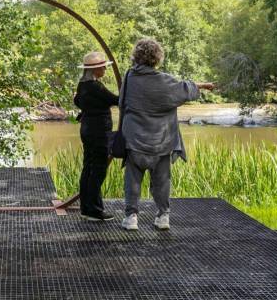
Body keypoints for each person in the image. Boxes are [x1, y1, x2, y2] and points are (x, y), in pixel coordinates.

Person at [120, 38, 214, 231]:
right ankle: (163, 216)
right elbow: (185, 89)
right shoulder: (165, 82)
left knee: (133, 180)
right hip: (161, 143)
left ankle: (131, 217)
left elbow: (122, 104)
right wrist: (203, 86)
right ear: (157, 58)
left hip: (135, 140)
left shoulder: (130, 77)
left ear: (136, 57)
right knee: (162, 182)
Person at [73, 51, 119, 221]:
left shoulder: (83, 85)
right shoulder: (95, 86)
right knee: (98, 169)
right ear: (96, 69)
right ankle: (94, 210)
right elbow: (116, 100)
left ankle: (86, 208)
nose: (105, 70)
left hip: (87, 129)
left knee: (89, 167)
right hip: (99, 132)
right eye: (103, 67)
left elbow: (77, 101)